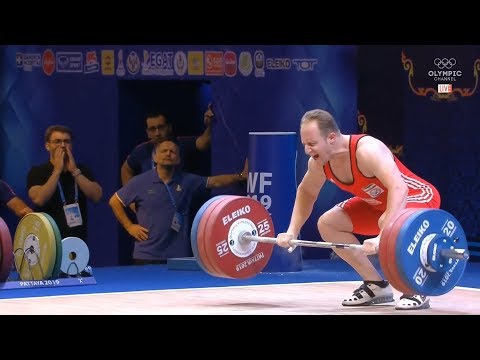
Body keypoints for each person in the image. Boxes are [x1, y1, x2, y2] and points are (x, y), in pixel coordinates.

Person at [276, 109, 440, 310]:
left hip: (417, 196)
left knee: (387, 222)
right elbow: (307, 192)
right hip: (378, 204)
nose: (307, 150)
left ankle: (416, 287)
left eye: (312, 144)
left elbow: (399, 187)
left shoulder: (367, 150)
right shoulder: (319, 163)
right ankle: (376, 285)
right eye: (304, 145)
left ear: (332, 138)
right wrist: (292, 230)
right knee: (328, 223)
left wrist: (383, 235)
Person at [109, 138, 247, 265]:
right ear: (155, 157)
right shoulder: (139, 182)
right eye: (164, 151)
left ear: (178, 159)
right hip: (146, 255)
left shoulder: (187, 181)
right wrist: (129, 227)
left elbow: (214, 182)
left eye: (172, 152)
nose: (168, 154)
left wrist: (240, 177)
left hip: (178, 256)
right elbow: (114, 201)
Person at [27, 125, 103, 243]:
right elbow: (38, 199)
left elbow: (97, 196)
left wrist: (75, 172)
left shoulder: (81, 170)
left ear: (71, 146)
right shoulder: (38, 171)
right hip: (48, 241)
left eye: (66, 141)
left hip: (78, 240)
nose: (62, 145)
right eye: (57, 141)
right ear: (48, 146)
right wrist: (57, 171)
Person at [120, 105, 214, 186]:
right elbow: (126, 169)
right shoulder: (141, 151)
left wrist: (210, 125)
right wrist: (131, 199)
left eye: (161, 127)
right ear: (148, 133)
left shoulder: (182, 144)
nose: (157, 133)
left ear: (169, 127)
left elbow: (203, 143)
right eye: (152, 129)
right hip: (150, 204)